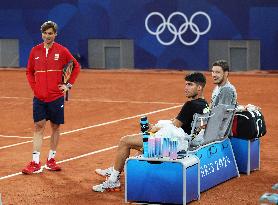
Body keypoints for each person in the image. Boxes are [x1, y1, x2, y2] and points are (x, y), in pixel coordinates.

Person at [92, 72, 209, 192]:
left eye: (190, 85)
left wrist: (154, 128)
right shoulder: (205, 105)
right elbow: (181, 125)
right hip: (184, 143)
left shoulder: (190, 105)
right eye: (185, 84)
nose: (186, 88)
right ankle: (116, 169)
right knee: (142, 139)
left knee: (125, 141)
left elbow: (175, 126)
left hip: (173, 148)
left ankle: (113, 180)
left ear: (199, 87)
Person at [22, 21, 80, 174]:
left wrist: (68, 85)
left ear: (55, 34)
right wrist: (35, 88)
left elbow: (76, 66)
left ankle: (51, 160)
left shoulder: (61, 51)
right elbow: (29, 71)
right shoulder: (35, 51)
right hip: (39, 98)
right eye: (45, 33)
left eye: (50, 33)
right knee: (38, 126)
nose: (47, 36)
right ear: (42, 34)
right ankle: (35, 162)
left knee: (55, 127)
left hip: (56, 97)